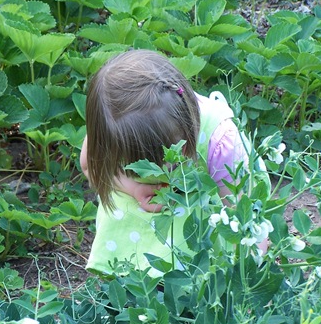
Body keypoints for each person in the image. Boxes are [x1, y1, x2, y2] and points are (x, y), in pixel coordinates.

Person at [80, 49, 259, 277]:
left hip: (209, 197)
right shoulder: (111, 127)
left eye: (169, 157)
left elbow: (243, 213)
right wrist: (133, 187)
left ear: (187, 125)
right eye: (137, 165)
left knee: (198, 219)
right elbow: (90, 167)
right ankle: (131, 278)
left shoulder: (221, 140)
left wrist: (249, 274)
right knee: (116, 200)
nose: (160, 171)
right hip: (145, 198)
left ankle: (190, 280)